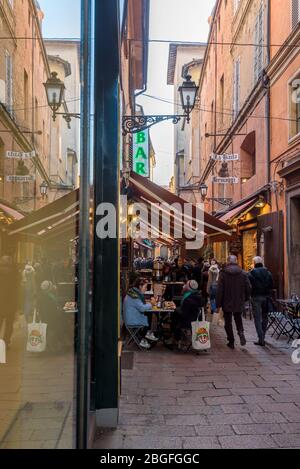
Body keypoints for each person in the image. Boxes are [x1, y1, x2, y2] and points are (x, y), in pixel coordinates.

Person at [216, 255, 251, 349]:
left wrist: (218, 304)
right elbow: (248, 287)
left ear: (228, 261)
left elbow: (220, 290)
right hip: (239, 300)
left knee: (228, 321)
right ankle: (241, 332)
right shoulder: (243, 273)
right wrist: (246, 298)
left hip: (226, 301)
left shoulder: (223, 273)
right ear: (236, 261)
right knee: (238, 318)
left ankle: (231, 341)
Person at [123, 278, 158, 350]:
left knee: (149, 313)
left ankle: (145, 334)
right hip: (132, 320)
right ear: (140, 286)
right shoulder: (134, 296)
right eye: (145, 287)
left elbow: (139, 305)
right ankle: (145, 336)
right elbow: (142, 308)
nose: (146, 289)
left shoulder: (133, 293)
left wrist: (149, 304)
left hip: (131, 317)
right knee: (149, 314)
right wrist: (151, 304)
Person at [169, 280, 204, 348]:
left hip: (187, 321)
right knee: (175, 315)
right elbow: (186, 309)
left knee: (174, 317)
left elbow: (183, 313)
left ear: (188, 288)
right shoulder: (196, 296)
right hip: (193, 318)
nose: (183, 286)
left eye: (186, 285)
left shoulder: (189, 299)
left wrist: (175, 308)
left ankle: (175, 338)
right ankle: (175, 338)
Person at [248, 256, 273, 347]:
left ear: (254, 263)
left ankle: (261, 338)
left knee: (257, 318)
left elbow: (249, 286)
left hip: (256, 297)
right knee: (265, 317)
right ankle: (263, 336)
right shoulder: (268, 273)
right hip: (266, 297)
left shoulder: (251, 273)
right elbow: (271, 285)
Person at [0, 256, 17, 347]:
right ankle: (6, 342)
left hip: (0, 303)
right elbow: (16, 290)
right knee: (9, 325)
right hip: (11, 303)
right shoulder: (14, 273)